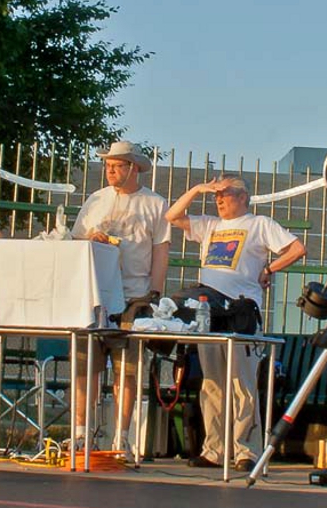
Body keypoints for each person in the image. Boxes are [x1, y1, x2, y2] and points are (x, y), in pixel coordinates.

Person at [165, 174, 306, 471]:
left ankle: (246, 450)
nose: (219, 199)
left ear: (243, 197)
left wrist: (269, 269)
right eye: (216, 194)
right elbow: (172, 216)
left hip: (241, 311)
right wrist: (197, 189)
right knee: (212, 383)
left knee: (242, 383)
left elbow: (296, 248)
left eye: (226, 193)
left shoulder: (259, 224)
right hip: (210, 310)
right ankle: (214, 449)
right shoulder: (210, 225)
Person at [70, 140, 170, 458]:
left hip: (133, 294)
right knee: (85, 366)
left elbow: (161, 251)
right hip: (95, 293)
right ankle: (81, 434)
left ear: (133, 168)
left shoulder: (155, 203)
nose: (110, 171)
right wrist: (92, 238)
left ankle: (121, 438)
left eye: (117, 165)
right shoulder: (96, 199)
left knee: (126, 369)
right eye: (108, 165)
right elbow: (76, 240)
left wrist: (154, 295)